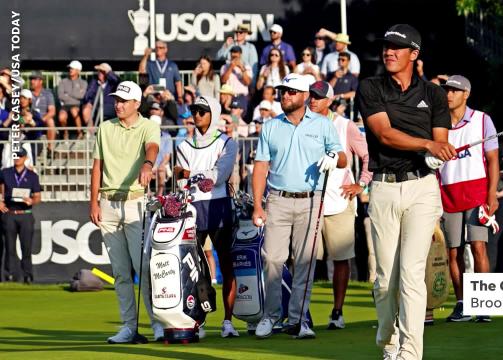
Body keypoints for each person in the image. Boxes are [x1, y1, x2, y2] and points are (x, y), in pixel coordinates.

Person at [355, 24, 455, 360]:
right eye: (386, 46)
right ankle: (388, 340)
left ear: (414, 54)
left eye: (397, 47)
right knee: (385, 280)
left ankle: (410, 353)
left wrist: (438, 150)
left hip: (422, 189)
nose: (389, 52)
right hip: (383, 187)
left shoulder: (435, 95)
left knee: (412, 274)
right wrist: (426, 142)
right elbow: (383, 134)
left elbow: (439, 143)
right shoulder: (370, 88)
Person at [251, 73, 347, 339]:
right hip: (278, 198)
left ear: (305, 96)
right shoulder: (270, 126)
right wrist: (258, 205)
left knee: (305, 262)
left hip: (310, 199)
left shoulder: (322, 124)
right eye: (283, 91)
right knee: (272, 258)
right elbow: (260, 167)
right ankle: (270, 315)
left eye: (291, 92)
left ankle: (298, 319)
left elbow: (342, 158)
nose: (285, 96)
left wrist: (332, 156)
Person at [89, 81, 163, 343]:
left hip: (136, 204)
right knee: (120, 272)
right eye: (116, 100)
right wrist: (93, 202)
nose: (118, 104)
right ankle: (129, 327)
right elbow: (97, 166)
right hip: (108, 204)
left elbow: (152, 147)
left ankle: (157, 323)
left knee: (143, 269)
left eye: (123, 100)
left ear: (136, 104)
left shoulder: (148, 125)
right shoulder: (105, 127)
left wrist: (147, 163)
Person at [174, 95, 239, 337]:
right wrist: (198, 175)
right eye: (194, 110)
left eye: (202, 110)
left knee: (227, 263)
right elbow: (180, 178)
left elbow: (219, 176)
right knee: (195, 270)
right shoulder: (183, 145)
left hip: (219, 206)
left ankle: (228, 322)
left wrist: (193, 174)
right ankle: (198, 322)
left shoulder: (227, 143)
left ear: (213, 112)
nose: (197, 114)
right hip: (192, 208)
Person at [308, 80, 372, 330]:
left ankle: (337, 312)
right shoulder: (302, 124)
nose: (312, 100)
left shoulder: (345, 126)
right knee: (304, 261)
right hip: (309, 202)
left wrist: (361, 185)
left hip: (339, 201)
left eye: (318, 96)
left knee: (341, 260)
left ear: (330, 100)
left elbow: (368, 156)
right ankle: (301, 313)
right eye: (311, 95)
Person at [437, 75, 499, 323]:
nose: (449, 94)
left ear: (466, 94)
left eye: (455, 90)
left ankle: (483, 303)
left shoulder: (482, 120)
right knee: (454, 252)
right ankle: (463, 303)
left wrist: (492, 194)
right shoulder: (438, 124)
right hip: (448, 195)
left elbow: (493, 159)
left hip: (476, 194)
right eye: (447, 90)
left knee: (478, 247)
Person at [0, 148, 41, 283]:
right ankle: (9, 275)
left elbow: (37, 197)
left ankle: (27, 275)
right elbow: (1, 190)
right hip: (10, 213)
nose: (17, 158)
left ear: (25, 158)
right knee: (9, 247)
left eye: (20, 156)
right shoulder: (5, 173)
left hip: (25, 214)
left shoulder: (32, 175)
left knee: (26, 247)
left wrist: (31, 201)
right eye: (15, 156)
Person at [82, 63, 120, 127]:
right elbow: (87, 96)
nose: (99, 73)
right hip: (96, 105)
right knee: (86, 110)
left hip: (109, 105)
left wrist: (108, 72)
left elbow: (116, 80)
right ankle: (91, 133)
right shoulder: (94, 82)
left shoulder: (112, 83)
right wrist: (89, 103)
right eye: (99, 71)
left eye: (102, 71)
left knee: (103, 110)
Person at [58, 60, 88, 139]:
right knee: (61, 117)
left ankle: (80, 133)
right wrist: (75, 95)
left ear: (78, 71)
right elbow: (60, 96)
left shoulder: (83, 83)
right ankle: (65, 133)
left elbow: (82, 96)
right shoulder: (62, 82)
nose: (70, 70)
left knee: (74, 111)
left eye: (73, 68)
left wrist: (68, 94)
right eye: (70, 68)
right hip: (65, 105)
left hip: (78, 105)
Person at [29, 71, 57, 154]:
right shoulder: (27, 93)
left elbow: (52, 111)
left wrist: (41, 120)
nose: (31, 81)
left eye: (34, 79)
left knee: (51, 121)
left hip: (42, 119)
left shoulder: (48, 94)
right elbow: (20, 112)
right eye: (31, 79)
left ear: (41, 81)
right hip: (29, 120)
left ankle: (50, 149)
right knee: (19, 121)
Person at [220, 46, 253, 115]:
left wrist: (242, 68)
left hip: (241, 96)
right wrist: (231, 67)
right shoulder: (224, 67)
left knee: (240, 117)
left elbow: (248, 82)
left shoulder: (247, 67)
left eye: (236, 52)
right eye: (233, 52)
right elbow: (223, 80)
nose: (234, 55)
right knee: (230, 117)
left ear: (240, 54)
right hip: (229, 96)